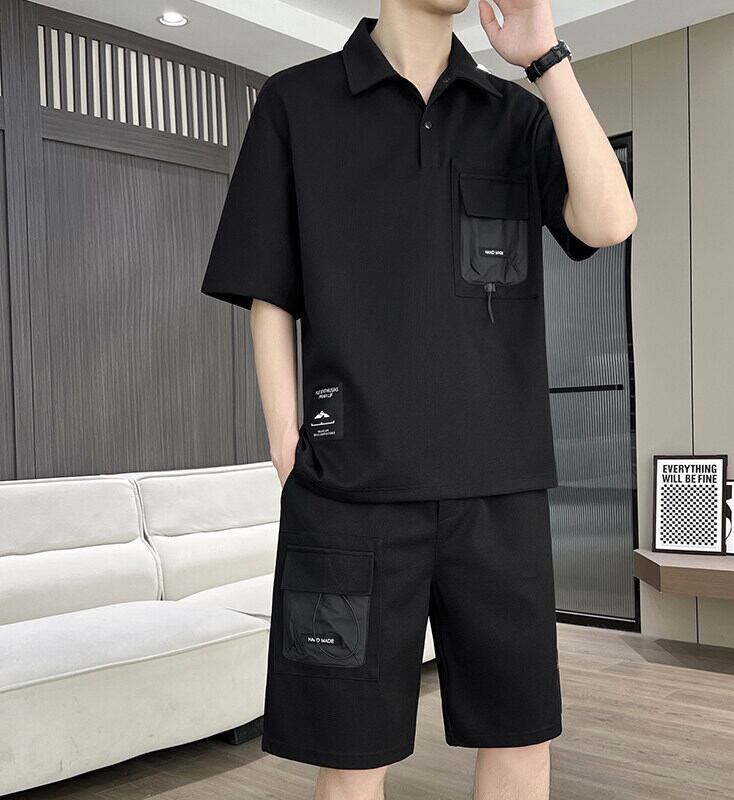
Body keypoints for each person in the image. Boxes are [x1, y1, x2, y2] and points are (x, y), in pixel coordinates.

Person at [201, 0, 636, 797]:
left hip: (500, 491)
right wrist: (286, 444)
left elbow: (610, 222)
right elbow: (269, 292)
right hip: (351, 495)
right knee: (352, 761)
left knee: (521, 741)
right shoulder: (296, 103)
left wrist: (545, 60)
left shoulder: (513, 114)